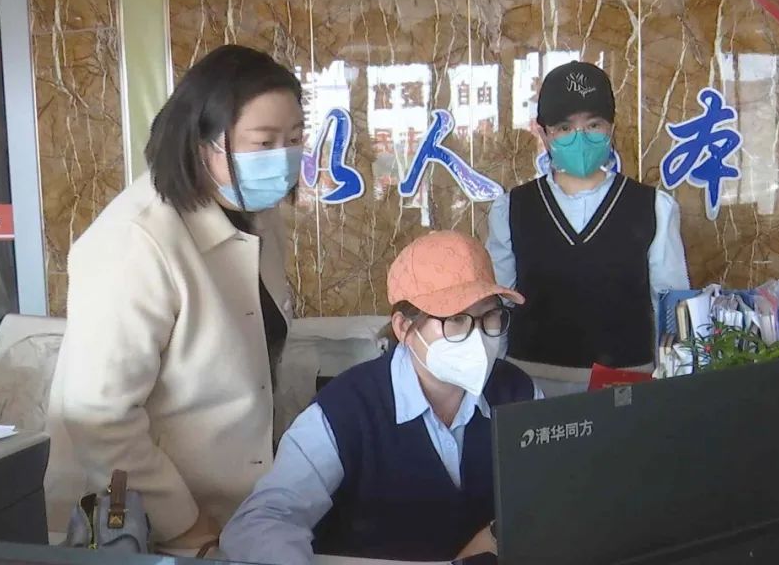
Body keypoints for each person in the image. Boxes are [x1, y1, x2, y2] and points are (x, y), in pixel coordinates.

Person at [45, 45, 301, 550]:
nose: (284, 157)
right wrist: (185, 524)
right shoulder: (134, 240)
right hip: (146, 522)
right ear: (202, 141)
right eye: (264, 142)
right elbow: (98, 417)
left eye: (294, 139)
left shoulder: (257, 215)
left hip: (236, 510)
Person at [220, 230, 543, 564]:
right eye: (457, 320)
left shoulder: (519, 393)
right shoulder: (344, 411)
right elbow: (263, 521)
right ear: (404, 328)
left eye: (489, 316)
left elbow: (553, 491)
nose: (478, 337)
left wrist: (497, 533)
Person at [486, 61, 689, 393]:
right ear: (544, 134)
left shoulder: (654, 207)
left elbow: (669, 306)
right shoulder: (511, 209)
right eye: (564, 128)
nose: (580, 138)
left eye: (593, 125)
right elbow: (497, 305)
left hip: (625, 389)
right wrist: (495, 381)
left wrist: (669, 384)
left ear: (611, 128)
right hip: (531, 386)